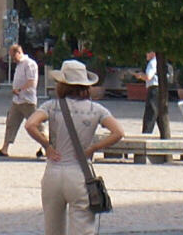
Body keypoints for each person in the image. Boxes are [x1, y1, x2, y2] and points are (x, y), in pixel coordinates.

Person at [24, 60, 123, 235]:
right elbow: (118, 132)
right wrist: (94, 147)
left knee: (53, 228)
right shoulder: (96, 109)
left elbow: (30, 124)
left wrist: (46, 145)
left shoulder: (52, 106)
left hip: (54, 172)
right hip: (79, 172)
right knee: (83, 227)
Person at [0, 44, 39, 155]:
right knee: (11, 123)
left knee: (36, 125)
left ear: (19, 53)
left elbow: (31, 81)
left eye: (13, 57)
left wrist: (19, 89)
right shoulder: (19, 65)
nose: (13, 59)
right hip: (17, 100)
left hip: (27, 100)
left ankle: (46, 146)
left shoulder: (30, 64)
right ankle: (4, 149)